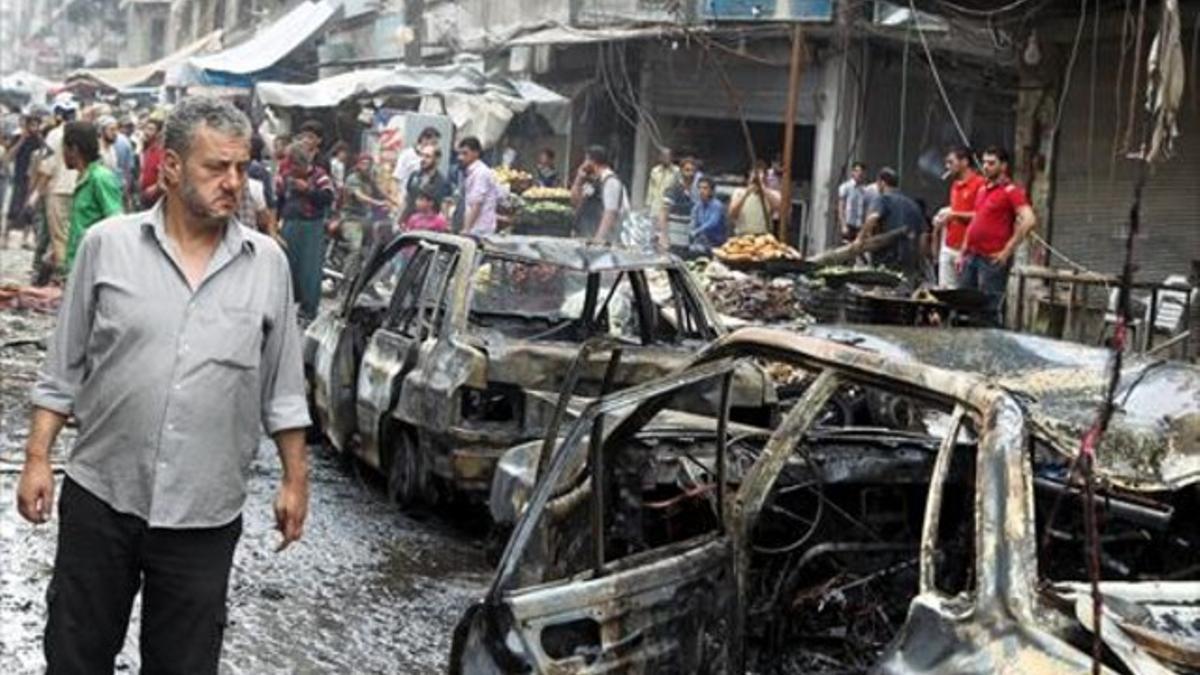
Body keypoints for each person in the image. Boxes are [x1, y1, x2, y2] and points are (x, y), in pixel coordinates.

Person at [17, 96, 309, 674]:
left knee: (183, 664)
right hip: (103, 496)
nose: (234, 183)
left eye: (241, 168)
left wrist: (295, 480)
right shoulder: (108, 245)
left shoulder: (268, 264)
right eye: (216, 167)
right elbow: (63, 367)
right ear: (171, 167)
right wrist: (36, 458)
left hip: (204, 514)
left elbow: (283, 387)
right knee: (76, 655)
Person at [958, 146, 1037, 326]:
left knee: (988, 311)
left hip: (991, 259)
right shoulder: (982, 190)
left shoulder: (1011, 191)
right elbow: (975, 221)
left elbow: (1029, 220)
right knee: (963, 308)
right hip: (971, 256)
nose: (986, 166)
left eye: (991, 163)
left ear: (1003, 166)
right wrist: (963, 251)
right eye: (984, 162)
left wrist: (1006, 251)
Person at [278, 142, 336, 320]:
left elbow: (328, 197)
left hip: (311, 227)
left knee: (309, 270)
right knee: (287, 266)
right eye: (291, 164)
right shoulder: (286, 176)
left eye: (296, 165)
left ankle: (308, 309)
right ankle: (284, 307)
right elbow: (279, 199)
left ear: (304, 164)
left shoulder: (319, 176)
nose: (293, 169)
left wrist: (308, 190)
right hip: (290, 225)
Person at [63, 122, 125, 272]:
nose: (62, 153)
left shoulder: (100, 178)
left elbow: (116, 222)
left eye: (64, 148)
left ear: (74, 149)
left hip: (93, 266)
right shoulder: (83, 177)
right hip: (78, 264)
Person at [28, 99, 78, 278]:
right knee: (72, 233)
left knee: (59, 237)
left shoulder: (55, 135)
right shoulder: (82, 133)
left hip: (58, 190)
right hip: (79, 189)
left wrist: (35, 194)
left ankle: (62, 275)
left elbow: (47, 167)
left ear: (58, 115)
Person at [857, 168, 926, 282]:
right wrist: (919, 258)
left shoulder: (883, 199)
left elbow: (873, 218)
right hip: (908, 261)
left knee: (883, 291)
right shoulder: (913, 205)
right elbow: (924, 235)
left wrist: (859, 239)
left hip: (886, 259)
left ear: (882, 183)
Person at [933, 147, 985, 289]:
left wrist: (954, 215)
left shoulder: (980, 184)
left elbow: (981, 216)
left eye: (951, 162)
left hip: (968, 250)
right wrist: (945, 215)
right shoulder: (955, 185)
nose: (947, 166)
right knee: (944, 291)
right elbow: (957, 209)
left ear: (964, 162)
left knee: (962, 294)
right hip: (949, 244)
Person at [571, 145, 628, 244]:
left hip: (602, 241)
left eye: (586, 160)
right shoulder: (594, 182)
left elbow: (610, 212)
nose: (583, 164)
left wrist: (598, 238)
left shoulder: (610, 181)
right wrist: (578, 180)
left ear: (591, 161)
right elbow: (575, 201)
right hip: (585, 235)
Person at [5, 112, 45, 248]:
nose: (34, 128)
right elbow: (9, 156)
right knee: (14, 207)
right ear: (26, 126)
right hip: (19, 176)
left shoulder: (40, 140)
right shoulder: (18, 137)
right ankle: (5, 236)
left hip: (33, 177)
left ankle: (25, 239)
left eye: (37, 125)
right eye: (32, 125)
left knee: (30, 208)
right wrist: (22, 140)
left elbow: (46, 155)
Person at [456, 136, 499, 236]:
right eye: (459, 153)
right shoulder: (470, 172)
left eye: (465, 153)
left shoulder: (480, 173)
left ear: (476, 153)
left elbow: (476, 204)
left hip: (479, 229)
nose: (460, 157)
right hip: (475, 228)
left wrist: (467, 229)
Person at [657, 156, 701, 249]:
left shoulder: (696, 192)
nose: (690, 174)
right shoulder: (674, 189)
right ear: (681, 171)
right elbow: (663, 213)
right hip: (672, 239)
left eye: (693, 170)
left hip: (687, 240)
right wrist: (664, 236)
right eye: (687, 170)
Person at [729, 162, 781, 237]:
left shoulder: (772, 194)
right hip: (742, 236)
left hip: (763, 237)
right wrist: (746, 193)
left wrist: (763, 189)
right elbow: (732, 214)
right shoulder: (739, 192)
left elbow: (780, 209)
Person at [402, 144, 451, 222]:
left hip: (430, 226)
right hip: (410, 223)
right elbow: (407, 200)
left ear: (437, 159)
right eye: (422, 156)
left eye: (427, 156)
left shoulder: (442, 182)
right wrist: (400, 220)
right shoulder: (414, 176)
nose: (423, 159)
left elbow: (444, 208)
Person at [393, 126, 441, 202]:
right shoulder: (407, 155)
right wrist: (397, 199)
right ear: (424, 139)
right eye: (433, 143)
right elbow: (397, 178)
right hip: (406, 198)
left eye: (435, 144)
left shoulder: (434, 158)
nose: (435, 146)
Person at [688, 177, 727, 254]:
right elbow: (693, 221)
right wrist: (691, 230)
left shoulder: (717, 205)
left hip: (716, 244)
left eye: (705, 188)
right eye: (699, 188)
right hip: (702, 242)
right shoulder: (697, 206)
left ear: (711, 191)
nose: (701, 191)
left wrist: (696, 231)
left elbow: (712, 223)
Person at [837, 161, 869, 243]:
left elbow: (865, 208)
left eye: (861, 172)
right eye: (857, 171)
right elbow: (841, 207)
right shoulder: (846, 187)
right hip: (849, 224)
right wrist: (843, 225)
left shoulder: (865, 190)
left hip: (859, 226)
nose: (859, 174)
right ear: (852, 172)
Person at [140, 117, 166, 208]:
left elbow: (164, 178)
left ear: (158, 133)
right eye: (146, 128)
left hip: (155, 200)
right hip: (145, 197)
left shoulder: (161, 152)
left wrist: (154, 190)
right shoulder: (147, 149)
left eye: (151, 129)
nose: (146, 132)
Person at [645, 147, 679, 215]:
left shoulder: (676, 171)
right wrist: (648, 204)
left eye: (668, 156)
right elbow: (651, 188)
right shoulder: (655, 171)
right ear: (660, 157)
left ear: (671, 157)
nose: (665, 158)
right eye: (663, 156)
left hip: (669, 206)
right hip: (656, 204)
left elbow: (678, 189)